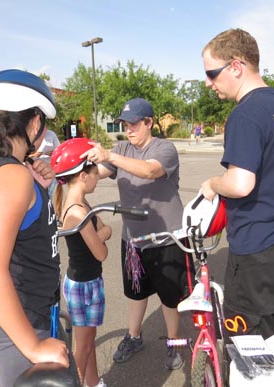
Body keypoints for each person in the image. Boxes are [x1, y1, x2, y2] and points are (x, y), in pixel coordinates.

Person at [200, 28, 274, 339]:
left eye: (212, 73)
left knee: (250, 347)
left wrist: (211, 183)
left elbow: (240, 184)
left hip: (260, 247)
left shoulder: (246, 114)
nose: (209, 83)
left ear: (236, 67)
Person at [0, 69, 69, 387]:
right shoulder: (13, 176)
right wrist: (33, 346)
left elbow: (35, 227)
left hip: (27, 308)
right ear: (34, 122)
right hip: (18, 316)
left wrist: (48, 188)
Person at [81, 98, 195, 370]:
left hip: (167, 238)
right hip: (133, 239)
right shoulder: (122, 148)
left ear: (149, 123)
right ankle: (134, 337)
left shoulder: (164, 148)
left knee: (169, 298)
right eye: (125, 124)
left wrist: (110, 156)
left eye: (134, 123)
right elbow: (98, 171)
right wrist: (70, 170)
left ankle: (174, 342)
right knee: (135, 293)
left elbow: (150, 170)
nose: (129, 129)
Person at [51, 138, 112, 387]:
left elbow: (102, 231)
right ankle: (74, 384)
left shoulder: (81, 203)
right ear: (83, 176)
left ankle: (94, 382)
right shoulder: (77, 212)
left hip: (88, 280)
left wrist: (102, 232)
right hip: (83, 285)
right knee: (83, 347)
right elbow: (101, 253)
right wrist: (103, 232)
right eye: (95, 173)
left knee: (89, 339)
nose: (98, 178)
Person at [30, 129, 61, 198]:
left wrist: (53, 153)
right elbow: (23, 155)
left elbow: (59, 151)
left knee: (52, 195)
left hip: (49, 169)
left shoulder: (51, 134)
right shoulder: (30, 133)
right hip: (34, 170)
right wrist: (33, 155)